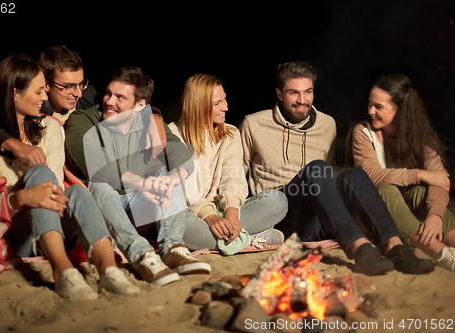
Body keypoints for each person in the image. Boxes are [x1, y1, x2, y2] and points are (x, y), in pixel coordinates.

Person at [0, 54, 141, 300]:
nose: (44, 99)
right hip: (9, 234)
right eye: (39, 92)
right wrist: (20, 198)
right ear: (14, 93)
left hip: (48, 223)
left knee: (76, 191)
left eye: (45, 91)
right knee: (40, 171)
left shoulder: (49, 127)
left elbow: (53, 189)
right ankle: (62, 270)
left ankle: (109, 270)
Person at [239, 61, 435, 275]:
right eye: (293, 93)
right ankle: (359, 248)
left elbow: (326, 181)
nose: (302, 100)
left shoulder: (327, 124)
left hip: (319, 218)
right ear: (279, 94)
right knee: (317, 168)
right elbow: (238, 173)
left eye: (308, 92)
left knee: (354, 175)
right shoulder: (253, 124)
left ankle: (395, 246)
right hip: (284, 217)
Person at [65, 66, 211, 287]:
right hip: (104, 210)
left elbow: (181, 153)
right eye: (108, 93)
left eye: (119, 97)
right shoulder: (83, 121)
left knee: (167, 173)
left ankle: (173, 249)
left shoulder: (148, 123)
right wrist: (142, 183)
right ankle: (142, 256)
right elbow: (95, 165)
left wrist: (173, 178)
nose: (109, 101)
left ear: (139, 106)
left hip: (144, 207)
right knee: (99, 183)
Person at [0, 45, 165, 168]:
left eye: (81, 83)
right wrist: (13, 144)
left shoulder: (88, 97)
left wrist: (152, 115)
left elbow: (128, 97)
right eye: (67, 87)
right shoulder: (33, 107)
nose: (78, 92)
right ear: (45, 83)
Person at [168, 74, 288, 253]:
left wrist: (232, 215)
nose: (226, 107)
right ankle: (248, 240)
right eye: (217, 103)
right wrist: (210, 218)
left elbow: (234, 178)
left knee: (278, 201)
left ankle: (226, 236)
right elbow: (186, 192)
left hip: (225, 209)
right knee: (174, 220)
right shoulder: (173, 135)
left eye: (224, 100)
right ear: (198, 106)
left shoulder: (230, 133)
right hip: (194, 213)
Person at [347, 73, 455, 271]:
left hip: (406, 210)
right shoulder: (363, 132)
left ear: (400, 111)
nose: (371, 111)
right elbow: (369, 174)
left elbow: (440, 180)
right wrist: (419, 174)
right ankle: (439, 252)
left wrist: (436, 216)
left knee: (422, 193)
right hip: (370, 215)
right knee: (385, 188)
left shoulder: (419, 137)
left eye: (378, 107)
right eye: (370, 104)